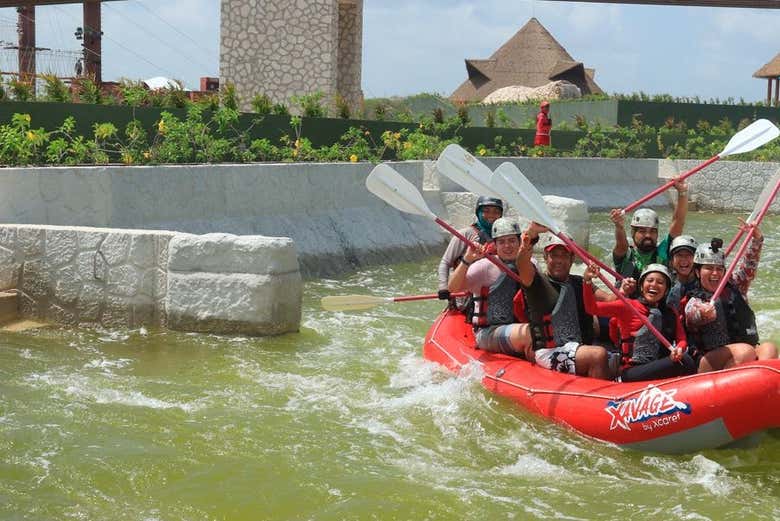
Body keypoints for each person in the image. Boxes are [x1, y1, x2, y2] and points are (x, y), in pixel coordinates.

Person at [515, 223, 611, 379]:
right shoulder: (536, 282)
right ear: (546, 257)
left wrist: (626, 289)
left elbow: (609, 299)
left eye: (564, 255)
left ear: (572, 258)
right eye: (554, 255)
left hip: (579, 348)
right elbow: (522, 264)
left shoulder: (580, 282)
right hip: (550, 351)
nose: (559, 260)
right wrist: (530, 236)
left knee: (614, 359)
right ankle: (600, 399)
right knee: (598, 355)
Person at [583, 263, 696, 382]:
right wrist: (587, 281)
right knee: (685, 360)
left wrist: (679, 349)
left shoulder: (671, 312)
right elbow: (591, 308)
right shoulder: (627, 305)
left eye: (660, 282)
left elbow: (682, 339)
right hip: (632, 371)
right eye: (650, 280)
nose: (654, 285)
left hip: (658, 366)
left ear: (666, 290)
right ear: (641, 286)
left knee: (684, 359)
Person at [684, 233, 778, 372]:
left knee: (769, 348)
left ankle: (755, 388)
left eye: (719, 269)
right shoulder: (694, 301)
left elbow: (749, 266)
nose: (715, 273)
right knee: (745, 351)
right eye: (709, 268)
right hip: (710, 361)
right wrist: (703, 313)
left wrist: (757, 240)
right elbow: (692, 315)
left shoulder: (736, 286)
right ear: (697, 272)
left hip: (744, 352)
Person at [448, 217, 530, 358]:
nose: (507, 246)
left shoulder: (530, 264)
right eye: (502, 242)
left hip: (518, 325)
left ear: (519, 242)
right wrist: (467, 260)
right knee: (530, 332)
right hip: (489, 332)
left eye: (511, 240)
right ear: (495, 245)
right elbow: (453, 288)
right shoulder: (485, 266)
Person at [610, 178, 689, 283]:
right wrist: (619, 226)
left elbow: (678, 222)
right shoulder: (626, 254)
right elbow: (621, 244)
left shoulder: (662, 252)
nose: (648, 235)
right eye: (642, 231)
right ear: (633, 233)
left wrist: (682, 192)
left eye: (652, 231)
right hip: (627, 298)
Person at [437, 196, 503, 307]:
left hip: (494, 295)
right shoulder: (465, 234)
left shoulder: (502, 236)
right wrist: (443, 287)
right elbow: (445, 262)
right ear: (478, 213)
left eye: (496, 212)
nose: (491, 215)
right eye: (486, 211)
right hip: (467, 297)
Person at [666, 235, 698, 313]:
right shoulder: (666, 284)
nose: (684, 259)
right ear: (672, 261)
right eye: (679, 255)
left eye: (688, 255)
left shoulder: (705, 282)